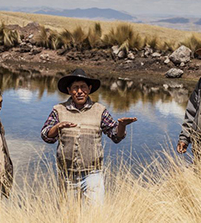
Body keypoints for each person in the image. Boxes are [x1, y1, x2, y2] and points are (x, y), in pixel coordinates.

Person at [41, 68, 137, 204]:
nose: (79, 91)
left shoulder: (99, 110)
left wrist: (122, 126)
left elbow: (116, 136)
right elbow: (46, 135)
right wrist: (58, 127)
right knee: (68, 216)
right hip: (67, 175)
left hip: (93, 174)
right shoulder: (58, 110)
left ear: (89, 89)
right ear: (69, 90)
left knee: (95, 215)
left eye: (83, 87)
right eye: (75, 88)